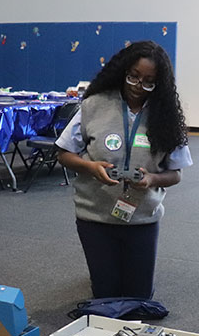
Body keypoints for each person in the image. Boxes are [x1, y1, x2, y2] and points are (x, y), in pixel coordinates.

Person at [55, 41, 191, 300]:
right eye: (133, 77)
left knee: (139, 298)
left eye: (149, 82)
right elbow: (64, 153)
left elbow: (176, 174)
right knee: (105, 294)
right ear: (123, 71)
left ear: (159, 83)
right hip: (95, 216)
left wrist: (152, 178)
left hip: (142, 218)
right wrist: (90, 167)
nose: (138, 86)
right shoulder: (94, 105)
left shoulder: (167, 115)